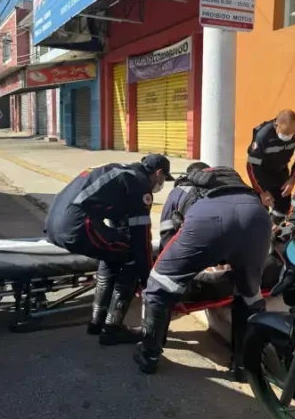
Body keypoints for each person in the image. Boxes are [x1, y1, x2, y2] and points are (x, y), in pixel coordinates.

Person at [134, 164, 272, 378]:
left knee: (158, 284)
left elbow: (167, 238)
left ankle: (149, 354)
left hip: (208, 221)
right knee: (249, 296)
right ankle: (245, 367)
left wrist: (179, 274)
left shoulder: (182, 188)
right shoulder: (235, 183)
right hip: (258, 218)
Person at [45, 154, 172, 346]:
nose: (160, 184)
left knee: (112, 251)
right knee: (130, 256)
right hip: (76, 226)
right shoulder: (139, 185)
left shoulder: (120, 172)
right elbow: (141, 238)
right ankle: (112, 329)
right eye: (163, 180)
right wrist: (147, 277)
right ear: (158, 172)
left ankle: (97, 322)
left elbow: (116, 223)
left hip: (54, 223)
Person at [246, 109, 295, 223]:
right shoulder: (262, 135)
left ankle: (277, 233)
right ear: (276, 125)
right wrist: (262, 191)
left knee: (282, 211)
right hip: (262, 174)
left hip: (281, 172)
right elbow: (251, 166)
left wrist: (292, 179)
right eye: (285, 133)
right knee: (260, 214)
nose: (288, 136)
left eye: (291, 133)